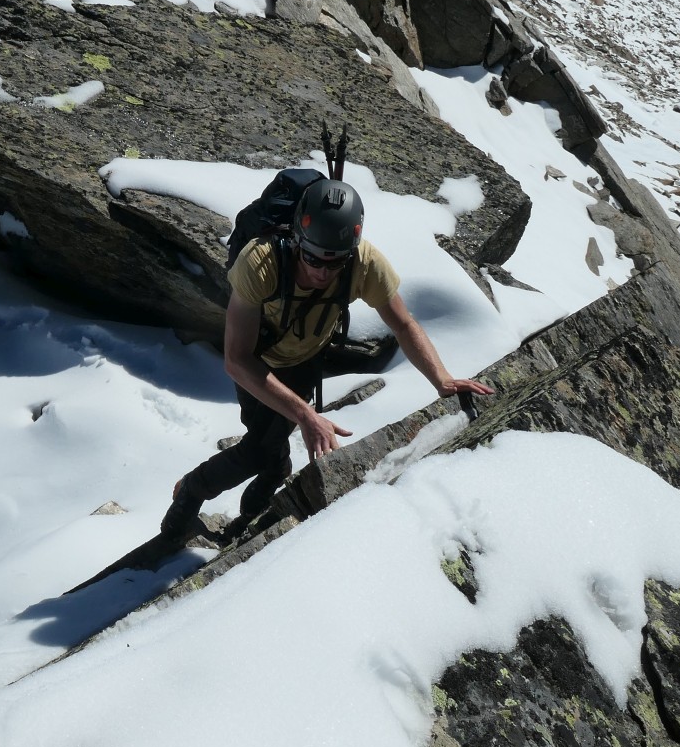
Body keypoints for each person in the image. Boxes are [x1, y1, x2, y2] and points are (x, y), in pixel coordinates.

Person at [159, 176, 494, 543]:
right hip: (259, 365)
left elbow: (403, 324)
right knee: (260, 448)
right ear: (296, 240)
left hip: (306, 360)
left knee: (267, 444)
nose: (321, 272)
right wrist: (306, 415)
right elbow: (236, 360)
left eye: (335, 263)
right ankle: (192, 490)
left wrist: (441, 378)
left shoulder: (363, 262)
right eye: (313, 259)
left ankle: (259, 486)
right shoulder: (260, 262)